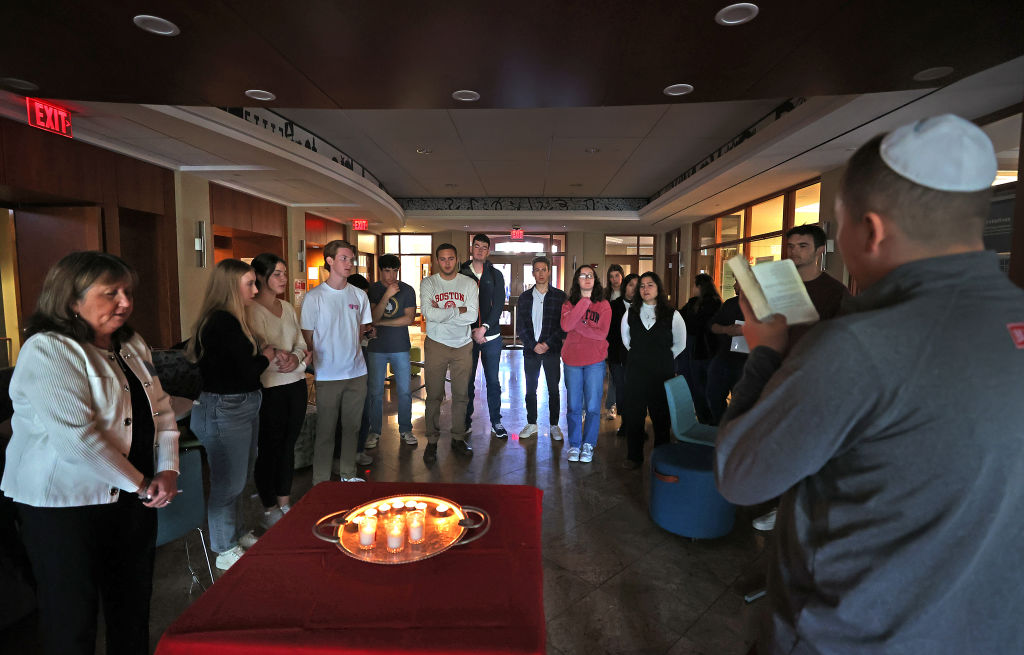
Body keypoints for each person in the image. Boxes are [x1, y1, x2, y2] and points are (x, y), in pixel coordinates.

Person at [716, 115, 1024, 654]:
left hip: (854, 633)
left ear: (872, 230)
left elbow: (741, 475)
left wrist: (766, 352)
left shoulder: (859, 345)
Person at [2, 251, 179, 655]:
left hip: (133, 499)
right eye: (110, 293)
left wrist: (168, 470)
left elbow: (162, 412)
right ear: (71, 300)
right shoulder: (50, 349)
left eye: (128, 292)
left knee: (132, 608)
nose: (125, 302)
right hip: (64, 507)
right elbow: (77, 441)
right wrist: (142, 484)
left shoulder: (131, 344)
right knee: (72, 619)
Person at [188, 258, 273, 570]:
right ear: (230, 287)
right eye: (249, 283)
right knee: (228, 483)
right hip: (225, 408)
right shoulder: (221, 321)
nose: (255, 288)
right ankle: (224, 548)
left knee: (240, 477)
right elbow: (245, 370)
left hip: (241, 404)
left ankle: (236, 533)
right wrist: (265, 356)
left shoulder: (234, 319)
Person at [300, 240, 372, 484]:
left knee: (352, 428)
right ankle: (320, 481)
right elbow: (308, 337)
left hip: (357, 372)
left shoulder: (359, 294)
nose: (349, 263)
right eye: (344, 258)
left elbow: (362, 329)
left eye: (351, 259)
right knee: (326, 432)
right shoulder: (314, 297)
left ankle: (348, 474)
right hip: (328, 375)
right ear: (329, 261)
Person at [247, 253, 310, 529]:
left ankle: (285, 502)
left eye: (284, 273)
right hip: (269, 387)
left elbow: (299, 341)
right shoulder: (250, 310)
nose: (283, 278)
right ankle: (269, 505)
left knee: (288, 445)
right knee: (270, 447)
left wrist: (296, 357)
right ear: (261, 277)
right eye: (277, 274)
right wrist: (280, 357)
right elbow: (258, 349)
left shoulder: (287, 306)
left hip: (295, 384)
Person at [421, 243, 480, 463]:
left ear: (458, 259)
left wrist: (442, 311)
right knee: (434, 395)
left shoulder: (469, 283)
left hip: (463, 345)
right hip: (436, 343)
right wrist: (458, 309)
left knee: (461, 395)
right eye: (443, 259)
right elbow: (428, 313)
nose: (447, 263)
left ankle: (457, 437)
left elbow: (472, 316)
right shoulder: (429, 283)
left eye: (451, 258)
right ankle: (432, 441)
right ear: (437, 260)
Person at [621, 272, 686, 470]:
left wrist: (661, 359)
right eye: (641, 286)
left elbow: (680, 344)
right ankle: (634, 457)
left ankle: (661, 457)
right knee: (634, 416)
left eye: (650, 285)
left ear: (658, 288)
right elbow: (626, 341)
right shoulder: (630, 312)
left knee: (661, 417)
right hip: (636, 372)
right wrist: (642, 356)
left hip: (661, 373)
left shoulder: (672, 314)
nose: (645, 289)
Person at [559, 265, 612, 463]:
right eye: (583, 275)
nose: (587, 278)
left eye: (590, 275)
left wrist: (578, 325)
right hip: (572, 360)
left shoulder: (604, 305)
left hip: (595, 361)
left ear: (595, 279)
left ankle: (588, 444)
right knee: (573, 406)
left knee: (592, 405)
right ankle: (574, 444)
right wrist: (583, 302)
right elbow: (565, 326)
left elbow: (601, 334)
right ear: (577, 280)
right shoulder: (568, 303)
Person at [366, 254, 417, 448]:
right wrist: (387, 295)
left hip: (400, 347)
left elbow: (408, 319)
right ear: (380, 270)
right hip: (376, 348)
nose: (391, 275)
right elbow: (371, 317)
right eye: (387, 271)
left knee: (404, 391)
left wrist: (379, 322)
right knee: (375, 393)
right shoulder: (374, 290)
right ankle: (374, 431)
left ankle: (405, 429)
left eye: (395, 270)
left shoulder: (407, 290)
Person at [460, 234, 508, 438]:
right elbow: (457, 303)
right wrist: (471, 329)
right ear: (471, 248)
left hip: (491, 337)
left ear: (488, 251)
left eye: (484, 247)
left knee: (493, 381)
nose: (480, 250)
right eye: (476, 246)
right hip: (467, 336)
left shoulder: (495, 274)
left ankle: (496, 421)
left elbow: (498, 305)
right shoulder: (460, 273)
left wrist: (485, 328)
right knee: (467, 381)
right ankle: (464, 421)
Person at [515, 255, 566, 440]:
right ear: (533, 273)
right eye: (537, 270)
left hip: (551, 351)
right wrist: (533, 345)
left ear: (549, 271)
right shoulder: (525, 297)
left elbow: (564, 326)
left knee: (554, 389)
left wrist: (547, 344)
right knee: (530, 389)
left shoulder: (560, 297)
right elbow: (520, 325)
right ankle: (532, 423)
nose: (540, 273)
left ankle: (554, 425)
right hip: (531, 351)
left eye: (544, 269)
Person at [784, 223, 851, 346]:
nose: (794, 251)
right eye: (790, 246)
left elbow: (843, 338)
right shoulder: (779, 285)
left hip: (811, 361)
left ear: (820, 250)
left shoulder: (835, 292)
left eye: (802, 246)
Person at [677, 273, 721, 424]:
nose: (692, 288)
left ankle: (707, 418)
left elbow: (691, 323)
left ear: (699, 287)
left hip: (701, 349)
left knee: (700, 386)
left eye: (694, 285)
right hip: (704, 349)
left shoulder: (706, 304)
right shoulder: (708, 302)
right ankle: (709, 419)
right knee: (704, 386)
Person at [705, 281, 747, 425]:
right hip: (723, 358)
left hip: (747, 362)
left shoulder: (763, 306)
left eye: (738, 282)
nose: (735, 286)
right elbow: (712, 325)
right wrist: (727, 330)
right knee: (713, 395)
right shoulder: (730, 304)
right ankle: (721, 426)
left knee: (742, 403)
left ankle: (736, 433)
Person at [606, 273, 638, 437]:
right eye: (631, 284)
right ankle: (625, 422)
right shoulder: (613, 306)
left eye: (637, 285)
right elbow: (608, 333)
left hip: (638, 357)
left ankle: (636, 424)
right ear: (625, 286)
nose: (634, 288)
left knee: (637, 390)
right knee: (622, 388)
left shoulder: (643, 306)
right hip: (617, 356)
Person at [603, 264, 625, 418]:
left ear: (622, 276)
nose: (614, 279)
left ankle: (621, 405)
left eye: (617, 275)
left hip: (626, 338)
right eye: (611, 276)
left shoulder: (628, 293)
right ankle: (612, 405)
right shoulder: (605, 294)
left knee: (623, 375)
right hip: (610, 338)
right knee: (614, 373)